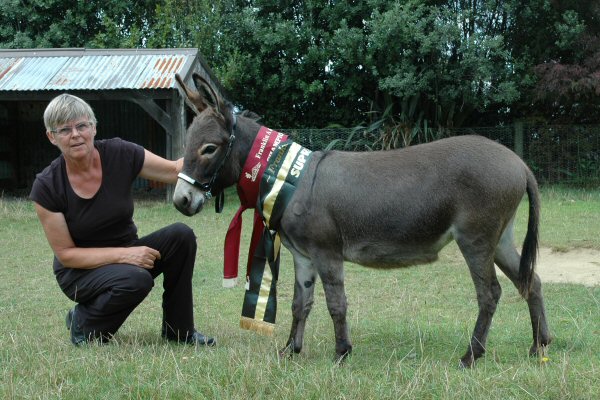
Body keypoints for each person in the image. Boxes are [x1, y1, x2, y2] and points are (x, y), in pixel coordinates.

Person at [29, 93, 215, 347]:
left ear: (94, 128)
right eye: (64, 129)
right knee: (136, 279)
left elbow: (174, 170)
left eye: (82, 125)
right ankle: (82, 323)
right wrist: (125, 256)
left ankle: (179, 330)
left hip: (128, 253)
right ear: (52, 137)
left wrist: (216, 149)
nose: (75, 134)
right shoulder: (47, 186)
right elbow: (67, 255)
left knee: (181, 236)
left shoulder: (119, 153)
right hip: (79, 272)